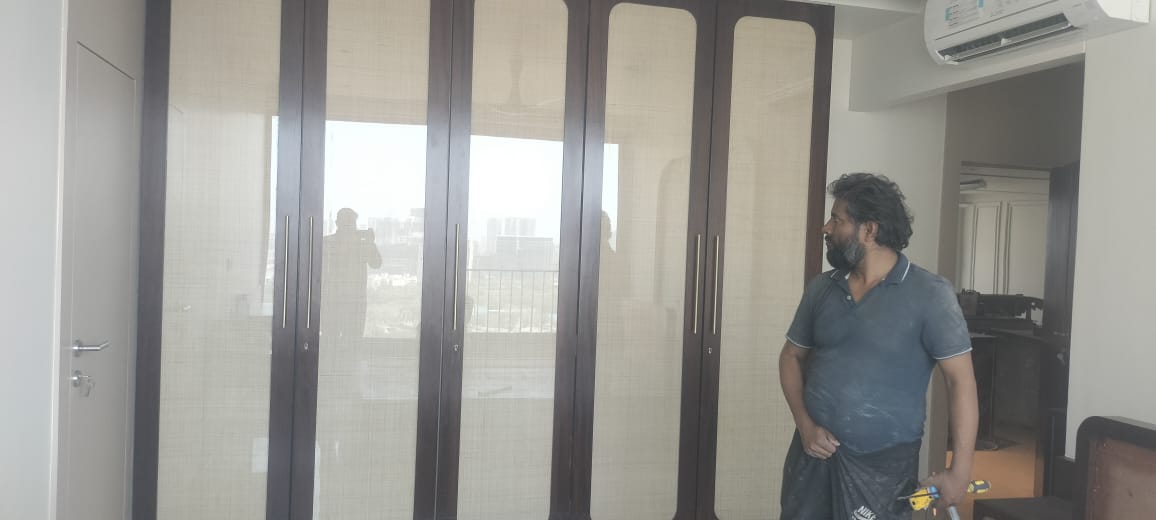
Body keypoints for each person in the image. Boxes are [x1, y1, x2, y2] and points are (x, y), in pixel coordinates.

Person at [779, 173, 979, 519]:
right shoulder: (822, 288)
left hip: (882, 471)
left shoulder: (931, 294)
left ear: (869, 230)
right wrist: (804, 425)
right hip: (811, 459)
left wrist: (959, 472)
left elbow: (960, 381)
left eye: (837, 219)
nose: (826, 228)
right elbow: (791, 357)